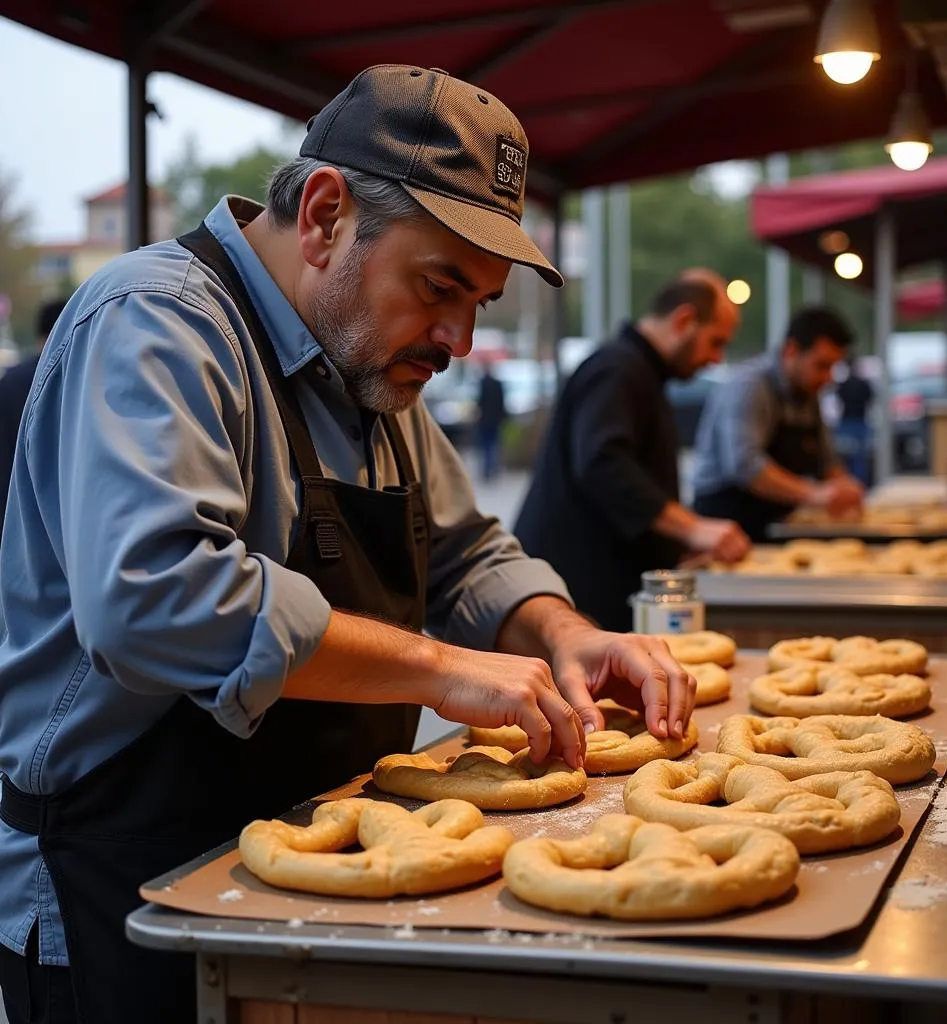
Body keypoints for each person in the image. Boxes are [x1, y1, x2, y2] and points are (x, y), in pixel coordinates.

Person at [0, 65, 697, 1024]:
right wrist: (439, 669)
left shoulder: (372, 369)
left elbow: (467, 553)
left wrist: (561, 631)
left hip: (322, 866)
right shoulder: (159, 321)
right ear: (325, 214)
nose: (455, 337)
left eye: (479, 305)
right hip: (127, 879)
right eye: (439, 286)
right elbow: (153, 601)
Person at [513, 270, 750, 632]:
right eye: (716, 342)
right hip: (574, 591)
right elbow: (601, 462)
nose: (716, 359)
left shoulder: (640, 372)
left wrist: (676, 541)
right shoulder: (618, 368)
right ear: (684, 320)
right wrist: (692, 527)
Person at [692, 305, 865, 542]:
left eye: (834, 367)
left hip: (774, 525)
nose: (828, 377)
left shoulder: (808, 394)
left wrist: (843, 486)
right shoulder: (750, 386)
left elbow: (826, 460)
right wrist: (815, 495)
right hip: (726, 524)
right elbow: (745, 466)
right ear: (791, 351)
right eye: (822, 365)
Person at [0, 296, 69, 525]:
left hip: (12, 505)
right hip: (62, 511)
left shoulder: (11, 381)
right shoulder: (80, 380)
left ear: (40, 336)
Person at [834, 357, 875, 486]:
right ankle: (859, 483)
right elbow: (871, 399)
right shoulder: (864, 384)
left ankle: (847, 482)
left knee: (844, 455)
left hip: (846, 421)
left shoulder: (843, 384)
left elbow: (838, 398)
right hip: (860, 421)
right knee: (860, 457)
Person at [476, 357, 507, 480]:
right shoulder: (497, 384)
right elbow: (502, 403)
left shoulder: (483, 383)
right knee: (494, 444)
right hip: (495, 420)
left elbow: (480, 402)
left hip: (485, 420)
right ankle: (493, 468)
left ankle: (488, 469)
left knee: (486, 445)